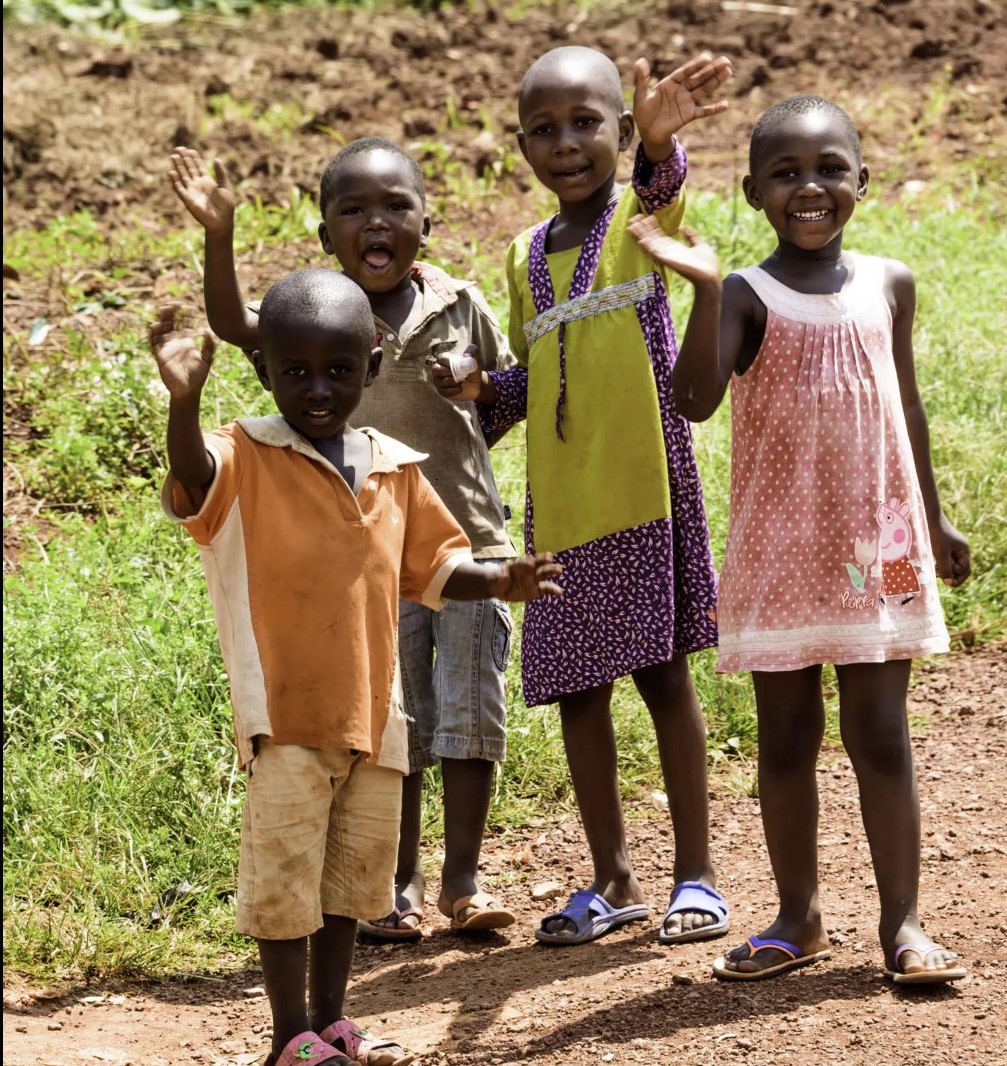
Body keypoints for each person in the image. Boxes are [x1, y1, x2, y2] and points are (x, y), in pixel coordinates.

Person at [149, 268, 562, 1066]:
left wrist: (502, 577)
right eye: (295, 371)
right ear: (265, 370)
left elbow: (438, 568)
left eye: (339, 370)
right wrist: (182, 403)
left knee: (349, 889)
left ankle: (332, 1020)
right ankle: (287, 1035)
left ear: (371, 368)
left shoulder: (393, 466)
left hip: (377, 722)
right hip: (287, 722)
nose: (317, 388)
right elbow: (193, 482)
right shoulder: (243, 455)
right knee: (284, 888)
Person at [628, 94, 971, 984]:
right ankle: (798, 917)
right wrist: (703, 290)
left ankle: (904, 925)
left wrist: (933, 517)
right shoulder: (746, 292)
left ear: (864, 180)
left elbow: (909, 407)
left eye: (828, 169)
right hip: (778, 548)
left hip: (881, 543)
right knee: (785, 741)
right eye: (785, 173)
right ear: (752, 192)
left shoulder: (889, 282)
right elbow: (693, 399)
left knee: (882, 734)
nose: (809, 188)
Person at [167, 137, 523, 942]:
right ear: (324, 232)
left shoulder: (459, 303)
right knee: (395, 725)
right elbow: (232, 322)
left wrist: (477, 380)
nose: (376, 221)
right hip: (369, 564)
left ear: (426, 223)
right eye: (353, 209)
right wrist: (219, 234)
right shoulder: (316, 316)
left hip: (469, 541)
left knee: (470, 720)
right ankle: (395, 883)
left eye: (396, 206)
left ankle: (463, 882)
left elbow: (506, 395)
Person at [432, 47, 735, 946]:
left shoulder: (643, 224)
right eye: (543, 129)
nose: (565, 144)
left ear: (618, 128)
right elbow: (536, 376)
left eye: (587, 123)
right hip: (562, 511)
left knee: (663, 678)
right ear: (519, 143)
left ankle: (698, 876)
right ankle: (613, 878)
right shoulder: (525, 253)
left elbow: (659, 186)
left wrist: (657, 144)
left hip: (644, 489)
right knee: (578, 695)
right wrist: (484, 385)